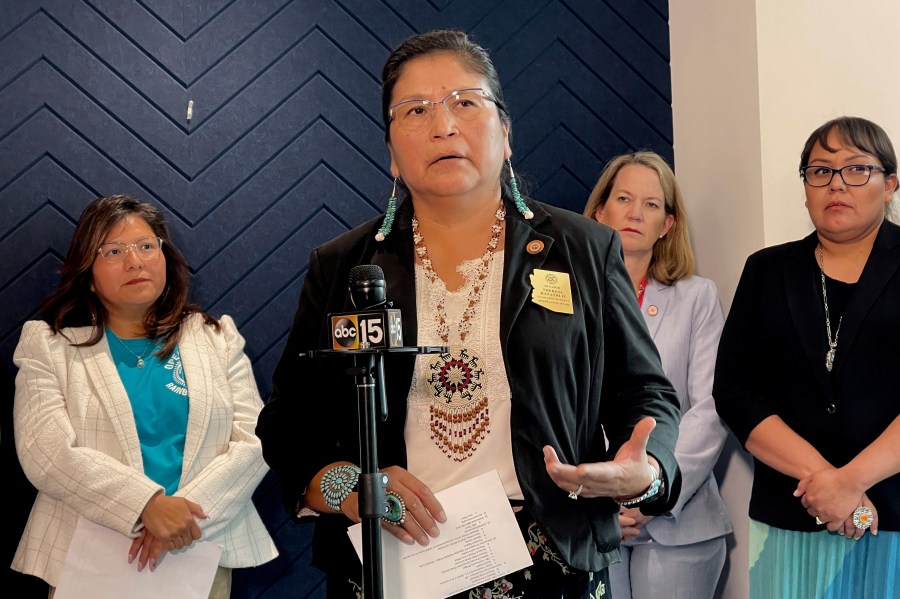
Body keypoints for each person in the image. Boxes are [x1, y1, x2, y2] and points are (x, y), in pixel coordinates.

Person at [256, 29, 682, 599]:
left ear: (505, 134)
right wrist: (350, 488)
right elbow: (288, 427)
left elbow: (646, 393)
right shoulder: (342, 266)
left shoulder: (583, 248)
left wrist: (647, 470)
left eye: (465, 102)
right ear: (390, 153)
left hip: (552, 557)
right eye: (415, 110)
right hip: (391, 560)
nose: (443, 125)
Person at [12, 195, 278, 598]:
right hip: (88, 558)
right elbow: (45, 451)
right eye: (113, 251)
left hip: (197, 552)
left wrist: (181, 520)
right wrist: (145, 506)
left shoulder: (215, 338)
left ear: (165, 256)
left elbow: (256, 441)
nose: (134, 261)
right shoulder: (50, 346)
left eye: (146, 246)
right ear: (88, 272)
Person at [714, 116, 900, 598]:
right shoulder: (767, 270)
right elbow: (734, 390)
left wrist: (852, 482)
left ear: (890, 185)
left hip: (896, 513)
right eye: (820, 171)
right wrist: (823, 480)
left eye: (857, 169)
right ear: (805, 188)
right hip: (789, 513)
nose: (836, 183)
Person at [584, 152, 731, 599]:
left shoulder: (697, 297)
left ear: (667, 224)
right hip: (591, 520)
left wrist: (652, 491)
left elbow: (710, 408)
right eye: (624, 198)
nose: (635, 212)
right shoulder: (563, 298)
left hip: (680, 525)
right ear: (598, 212)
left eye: (651, 204)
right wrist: (606, 494)